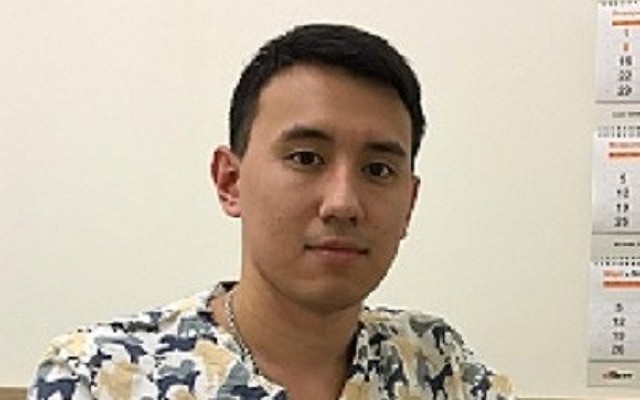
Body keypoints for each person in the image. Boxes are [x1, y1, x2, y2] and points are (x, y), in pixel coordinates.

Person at [29, 24, 514, 399]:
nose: (343, 203)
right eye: (306, 158)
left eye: (378, 169)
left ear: (409, 203)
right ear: (230, 181)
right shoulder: (101, 376)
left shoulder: (438, 365)